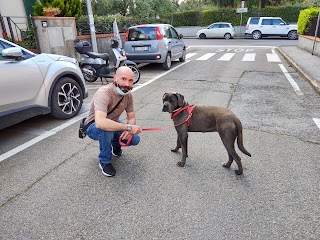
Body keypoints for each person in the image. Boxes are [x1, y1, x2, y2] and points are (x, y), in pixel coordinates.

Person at [84, 66, 142, 177]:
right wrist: (128, 127)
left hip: (111, 123)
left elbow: (131, 116)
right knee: (106, 129)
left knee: (135, 139)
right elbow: (100, 122)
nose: (127, 84)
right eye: (123, 79)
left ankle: (116, 146)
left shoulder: (128, 95)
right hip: (93, 126)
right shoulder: (104, 93)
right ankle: (104, 161)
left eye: (130, 80)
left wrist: (130, 129)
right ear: (115, 78)